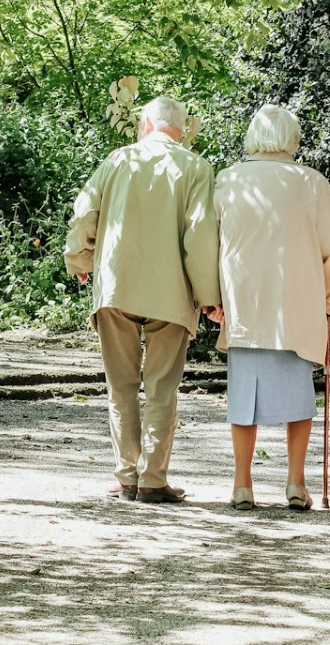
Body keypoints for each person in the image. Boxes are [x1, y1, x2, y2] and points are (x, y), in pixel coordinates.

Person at [64, 96, 221, 504]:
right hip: (171, 293)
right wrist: (209, 296)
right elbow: (200, 236)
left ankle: (127, 477)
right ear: (181, 130)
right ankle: (152, 480)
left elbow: (84, 214)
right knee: (162, 388)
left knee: (121, 387)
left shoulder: (117, 160)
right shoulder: (197, 168)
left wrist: (79, 259)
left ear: (146, 124)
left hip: (117, 287)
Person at [211, 104, 330, 511]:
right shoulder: (311, 183)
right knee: (299, 397)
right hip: (297, 306)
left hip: (245, 304)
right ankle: (295, 483)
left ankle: (242, 485)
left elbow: (211, 244)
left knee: (243, 398)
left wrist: (212, 299)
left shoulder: (228, 180)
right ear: (293, 138)